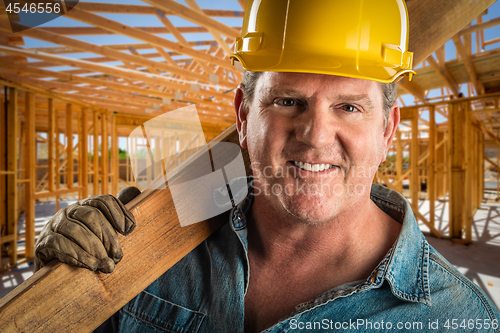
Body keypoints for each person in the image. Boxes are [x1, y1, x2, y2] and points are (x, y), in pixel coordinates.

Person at [34, 0, 500, 332]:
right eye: (286, 100)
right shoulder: (153, 249)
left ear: (387, 130)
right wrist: (59, 291)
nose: (315, 136)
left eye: (349, 107)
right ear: (242, 116)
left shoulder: (456, 317)